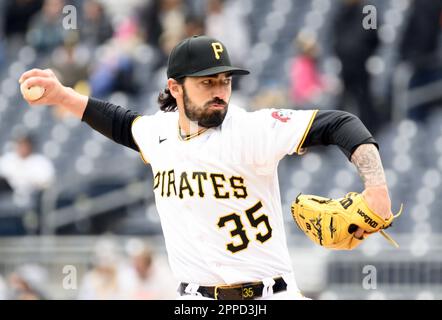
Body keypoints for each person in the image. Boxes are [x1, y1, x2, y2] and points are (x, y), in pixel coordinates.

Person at [19, 35, 393, 300]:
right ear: (176, 87)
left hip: (268, 295)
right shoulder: (158, 133)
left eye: (225, 82)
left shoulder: (251, 128)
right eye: (207, 82)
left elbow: (341, 124)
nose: (220, 91)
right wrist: (62, 95)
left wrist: (376, 187)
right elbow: (119, 123)